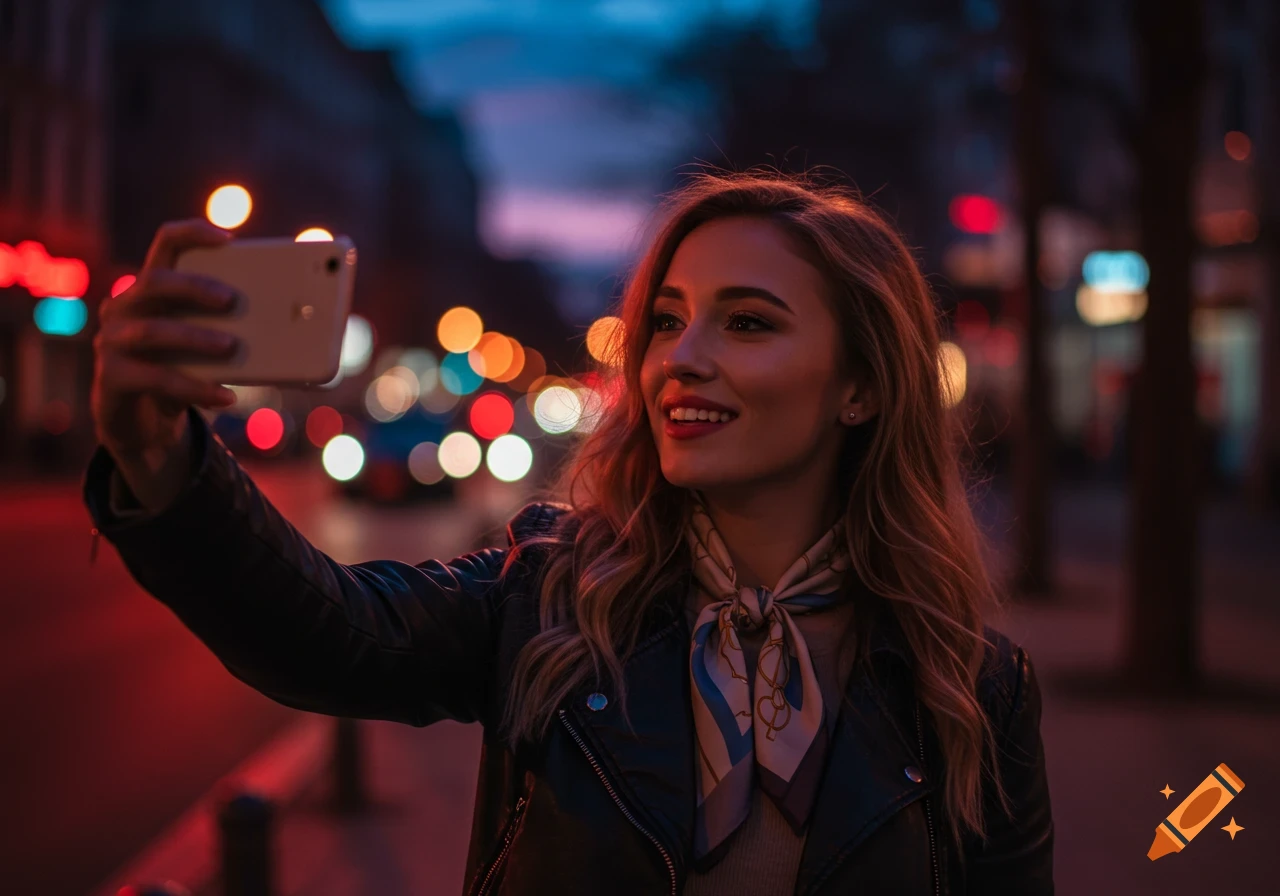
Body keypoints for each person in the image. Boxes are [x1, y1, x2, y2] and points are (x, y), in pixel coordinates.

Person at [85, 169, 1054, 895]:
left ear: (861, 385)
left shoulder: (967, 686)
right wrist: (162, 456)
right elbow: (328, 632)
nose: (682, 358)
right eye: (667, 321)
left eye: (747, 323)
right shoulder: (550, 593)